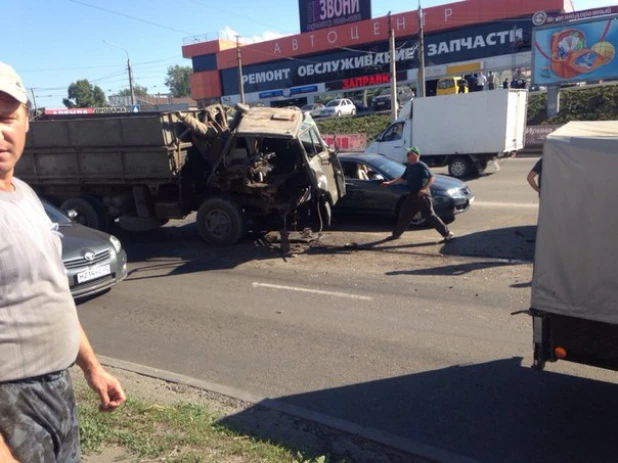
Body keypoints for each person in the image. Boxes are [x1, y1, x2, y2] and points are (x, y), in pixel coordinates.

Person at [0, 62, 126, 463]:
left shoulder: (24, 194)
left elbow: (51, 294)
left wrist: (92, 368)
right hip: (9, 398)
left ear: (26, 121)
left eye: (6, 116)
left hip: (55, 388)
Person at [381, 147, 455, 241]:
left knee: (430, 215)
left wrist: (424, 189)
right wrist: (389, 183)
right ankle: (396, 235)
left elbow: (431, 178)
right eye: (407, 154)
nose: (407, 155)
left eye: (409, 154)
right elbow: (402, 178)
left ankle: (447, 234)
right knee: (404, 214)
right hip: (412, 196)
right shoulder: (409, 166)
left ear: (415, 155)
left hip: (422, 196)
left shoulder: (421, 166)